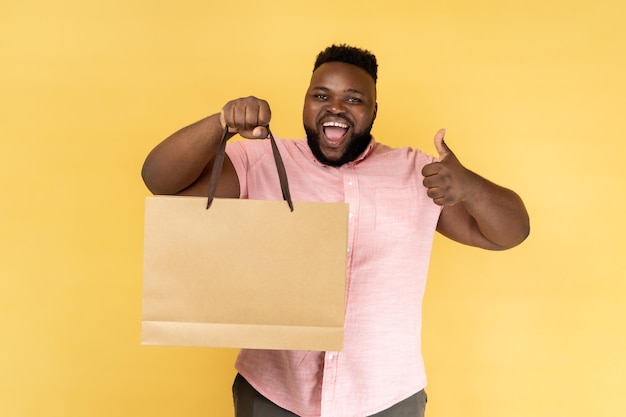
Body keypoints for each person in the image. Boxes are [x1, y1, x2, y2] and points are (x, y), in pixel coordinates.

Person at [142, 44, 530, 417]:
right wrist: (221, 122)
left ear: (374, 111)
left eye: (354, 99)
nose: (336, 109)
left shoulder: (418, 174)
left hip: (386, 397)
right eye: (321, 96)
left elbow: (508, 234)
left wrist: (469, 187)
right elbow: (160, 180)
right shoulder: (257, 160)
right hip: (273, 394)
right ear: (306, 103)